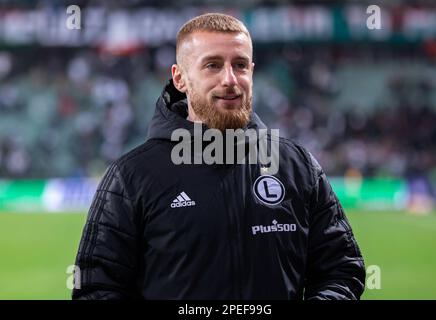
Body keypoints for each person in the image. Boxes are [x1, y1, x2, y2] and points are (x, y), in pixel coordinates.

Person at [72, 13, 365, 300]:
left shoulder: (297, 167)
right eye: (212, 65)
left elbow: (341, 270)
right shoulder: (132, 176)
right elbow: (96, 288)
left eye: (240, 65)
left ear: (252, 71)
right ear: (180, 78)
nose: (230, 79)